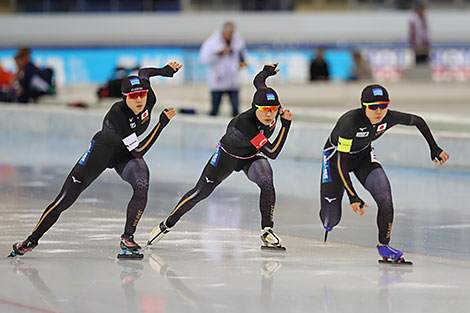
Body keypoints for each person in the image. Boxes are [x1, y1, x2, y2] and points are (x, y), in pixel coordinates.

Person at [8, 61, 182, 259]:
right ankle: (30, 241)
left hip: (123, 155)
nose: (139, 100)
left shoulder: (148, 97)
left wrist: (165, 71)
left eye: (142, 94)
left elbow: (144, 72)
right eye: (133, 96)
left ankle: (128, 238)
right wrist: (160, 125)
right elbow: (140, 150)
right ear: (124, 97)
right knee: (63, 202)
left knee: (142, 183)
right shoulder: (117, 115)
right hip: (101, 153)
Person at [147, 63, 293, 250]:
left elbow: (259, 82)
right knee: (200, 192)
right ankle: (167, 224)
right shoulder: (243, 124)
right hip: (226, 157)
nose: (270, 115)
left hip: (251, 157)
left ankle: (267, 231)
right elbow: (272, 152)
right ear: (255, 107)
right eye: (265, 110)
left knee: (266, 180)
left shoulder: (267, 104)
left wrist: (266, 72)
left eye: (273, 110)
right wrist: (286, 126)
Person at [320, 84, 449, 263]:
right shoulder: (349, 122)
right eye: (373, 106)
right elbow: (342, 163)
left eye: (383, 105)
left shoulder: (389, 117)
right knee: (330, 220)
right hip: (336, 160)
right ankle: (328, 215)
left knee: (385, 199)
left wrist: (434, 148)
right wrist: (352, 195)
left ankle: (384, 246)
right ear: (364, 106)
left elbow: (418, 120)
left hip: (363, 157)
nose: (379, 111)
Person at [199, 21, 247, 117]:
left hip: (233, 80)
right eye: (228, 34)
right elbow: (204, 59)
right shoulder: (212, 42)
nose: (230, 36)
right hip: (218, 80)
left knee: (236, 110)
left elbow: (242, 57)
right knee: (214, 110)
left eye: (231, 33)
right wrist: (220, 53)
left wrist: (241, 65)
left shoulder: (238, 40)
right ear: (223, 32)